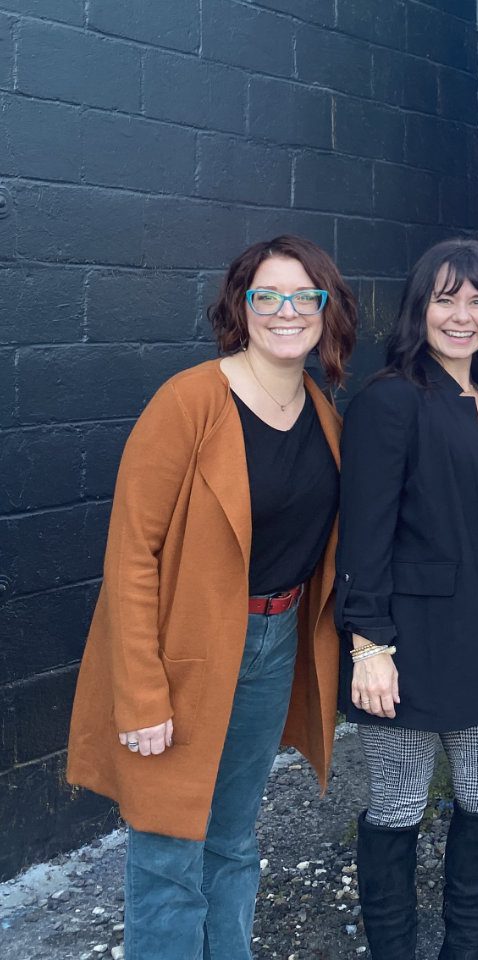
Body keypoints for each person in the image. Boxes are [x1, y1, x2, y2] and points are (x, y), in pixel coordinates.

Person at [66, 235, 357, 959]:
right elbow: (132, 556)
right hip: (183, 653)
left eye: (304, 297)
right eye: (267, 296)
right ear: (241, 306)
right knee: (167, 849)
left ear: (327, 312)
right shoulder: (189, 402)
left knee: (231, 837)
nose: (286, 311)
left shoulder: (325, 415)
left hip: (273, 640)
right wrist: (140, 694)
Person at [335, 239, 478, 960]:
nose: (462, 315)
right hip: (406, 641)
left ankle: (464, 950)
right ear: (420, 308)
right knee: (396, 805)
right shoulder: (391, 400)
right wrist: (368, 645)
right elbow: (363, 536)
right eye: (445, 299)